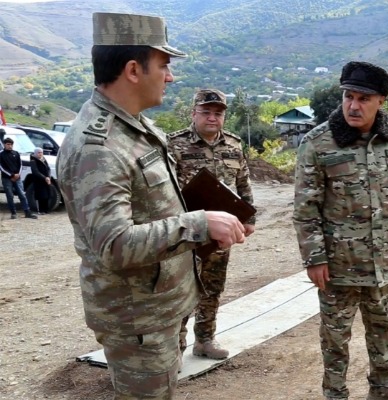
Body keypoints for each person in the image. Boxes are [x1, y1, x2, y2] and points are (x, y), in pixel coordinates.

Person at [56, 12, 245, 399]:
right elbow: (113, 244)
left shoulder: (135, 128)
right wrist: (199, 225)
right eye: (163, 65)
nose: (170, 77)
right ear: (132, 70)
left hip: (158, 310)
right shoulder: (99, 146)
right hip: (137, 319)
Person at [293, 61, 388, 400]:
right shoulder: (318, 142)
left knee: (382, 329)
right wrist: (314, 258)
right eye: (348, 96)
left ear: (381, 100)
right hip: (338, 267)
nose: (353, 105)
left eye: (363, 99)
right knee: (335, 338)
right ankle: (335, 394)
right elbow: (305, 209)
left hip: (383, 261)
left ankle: (384, 389)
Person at [168, 88, 256, 359]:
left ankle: (205, 340)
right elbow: (166, 191)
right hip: (188, 230)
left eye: (217, 113)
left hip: (222, 231)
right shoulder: (175, 144)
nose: (212, 118)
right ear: (193, 113)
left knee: (213, 286)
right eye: (206, 112)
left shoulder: (233, 145)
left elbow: (243, 182)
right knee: (183, 288)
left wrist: (249, 218)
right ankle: (175, 346)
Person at [0, 137, 37, 219]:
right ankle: (13, 212)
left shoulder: (16, 153)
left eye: (11, 144)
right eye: (8, 144)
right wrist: (11, 175)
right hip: (7, 178)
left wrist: (18, 174)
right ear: (4, 145)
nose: (10, 146)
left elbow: (20, 165)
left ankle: (27, 212)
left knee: (22, 194)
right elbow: (2, 167)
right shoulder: (1, 154)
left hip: (17, 178)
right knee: (10, 196)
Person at [29, 147, 51, 214]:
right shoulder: (33, 161)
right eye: (39, 153)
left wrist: (48, 177)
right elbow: (35, 171)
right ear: (35, 153)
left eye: (41, 152)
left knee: (46, 195)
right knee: (40, 196)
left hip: (46, 180)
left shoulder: (43, 159)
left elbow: (48, 168)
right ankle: (40, 210)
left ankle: (46, 209)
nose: (40, 154)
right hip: (38, 180)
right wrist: (44, 178)